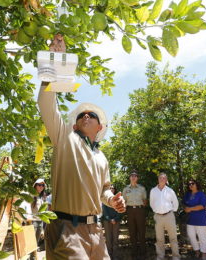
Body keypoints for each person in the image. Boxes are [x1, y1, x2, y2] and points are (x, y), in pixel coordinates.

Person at [38, 74, 126, 259]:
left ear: (100, 127)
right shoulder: (65, 138)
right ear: (75, 126)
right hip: (68, 229)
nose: (86, 115)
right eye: (81, 115)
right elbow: (46, 105)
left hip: (96, 230)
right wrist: (51, 72)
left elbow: (104, 191)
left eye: (91, 115)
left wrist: (112, 201)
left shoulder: (102, 157)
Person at [150, 172, 181, 260]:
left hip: (169, 216)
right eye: (160, 178)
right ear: (158, 179)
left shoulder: (170, 191)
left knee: (173, 238)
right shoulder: (153, 190)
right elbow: (151, 203)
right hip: (158, 217)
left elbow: (175, 203)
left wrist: (171, 212)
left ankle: (176, 257)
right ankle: (160, 256)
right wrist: (157, 211)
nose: (162, 179)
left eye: (164, 178)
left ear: (166, 180)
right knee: (159, 239)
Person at [122, 170, 147, 259]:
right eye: (132, 176)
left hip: (140, 211)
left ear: (137, 178)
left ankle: (143, 253)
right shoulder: (125, 189)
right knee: (132, 232)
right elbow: (124, 201)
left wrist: (141, 208)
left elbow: (145, 201)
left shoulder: (142, 188)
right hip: (129, 211)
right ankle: (134, 253)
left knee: (141, 231)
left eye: (135, 176)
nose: (133, 177)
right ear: (129, 177)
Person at [182, 179, 206, 260]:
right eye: (189, 184)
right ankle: (197, 251)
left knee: (202, 237)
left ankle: (204, 253)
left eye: (192, 183)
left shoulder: (201, 194)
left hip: (200, 218)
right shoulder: (187, 194)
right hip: (190, 219)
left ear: (197, 184)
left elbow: (202, 206)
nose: (190, 185)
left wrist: (190, 209)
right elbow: (184, 204)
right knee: (191, 236)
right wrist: (185, 208)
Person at [102, 185, 121, 260]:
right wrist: (109, 219)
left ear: (115, 189)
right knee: (108, 238)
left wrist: (115, 219)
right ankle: (109, 256)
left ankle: (115, 256)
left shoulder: (119, 198)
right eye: (110, 188)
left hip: (116, 221)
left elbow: (120, 211)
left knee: (115, 238)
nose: (112, 189)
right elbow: (104, 211)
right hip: (107, 221)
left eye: (113, 188)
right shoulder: (105, 199)